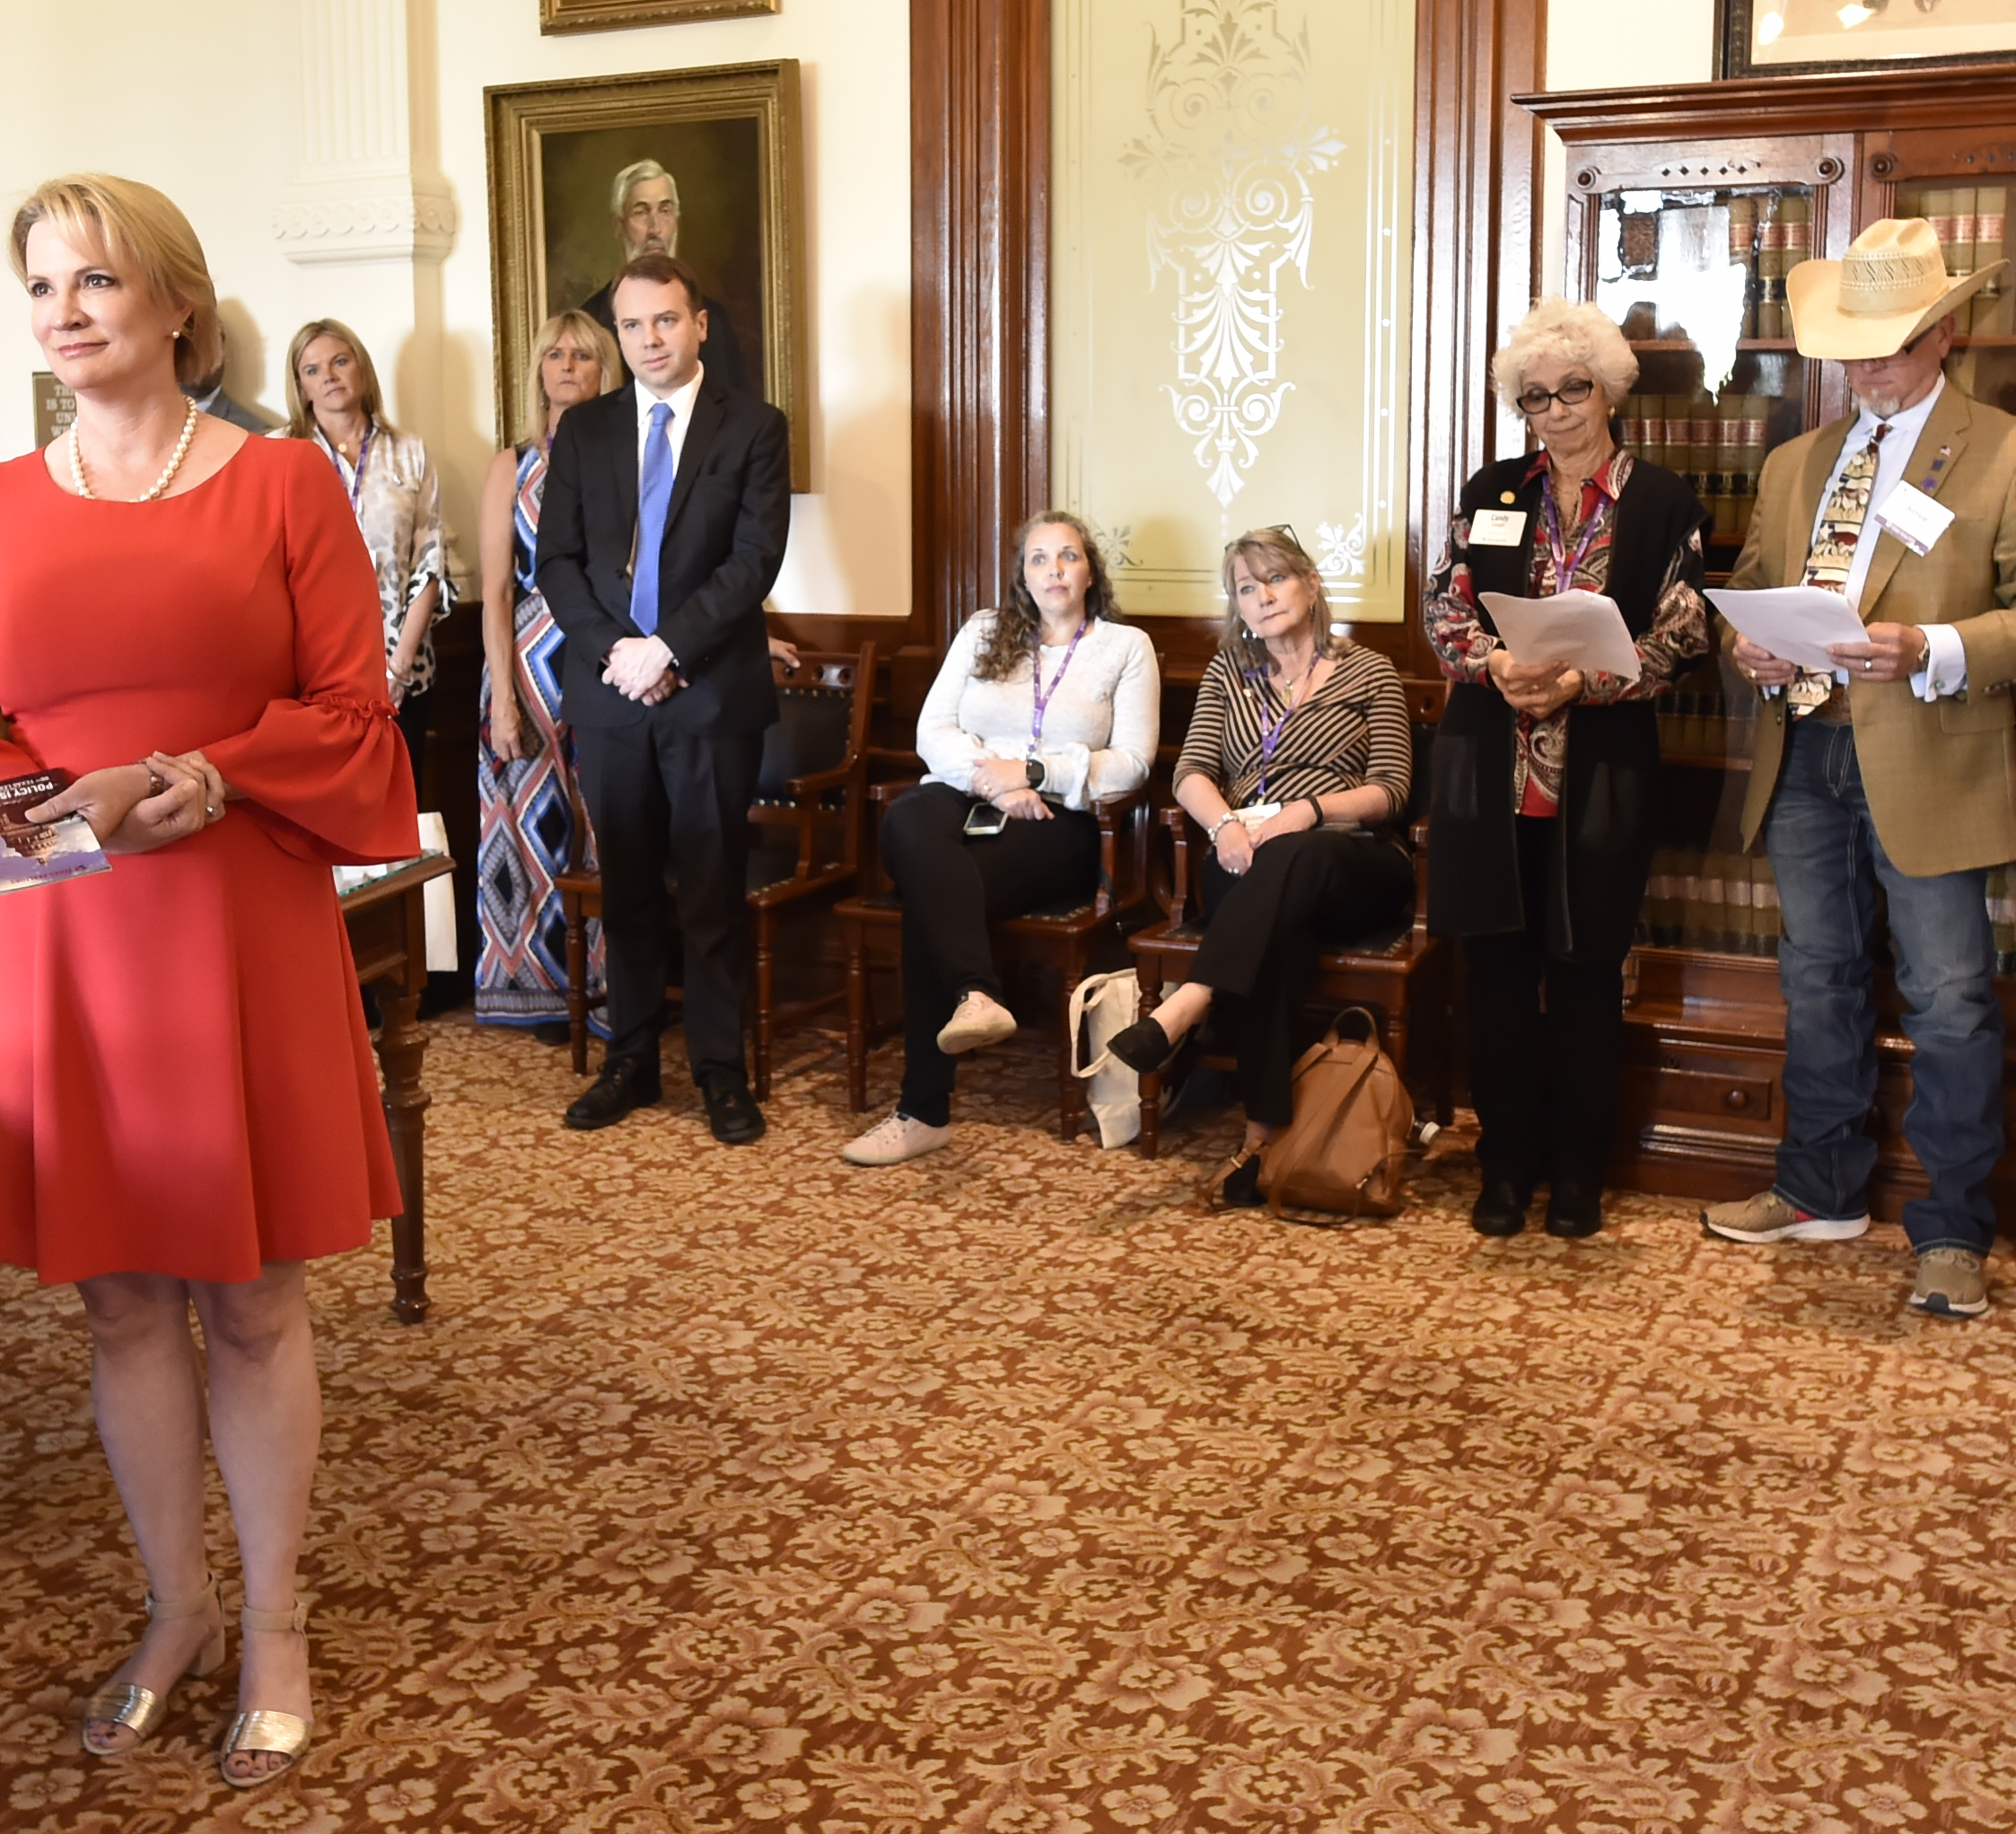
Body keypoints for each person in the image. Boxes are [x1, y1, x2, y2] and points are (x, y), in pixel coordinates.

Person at [0, 173, 422, 1797]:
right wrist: (72, 811)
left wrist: (212, 772)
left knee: (252, 1293)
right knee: (119, 1296)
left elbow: (352, 717)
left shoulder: (278, 491)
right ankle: (174, 1607)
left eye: (96, 278)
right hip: (66, 930)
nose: (62, 308)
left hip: (235, 928)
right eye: (39, 283)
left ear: (175, 302)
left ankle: (274, 1624)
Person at [1702, 216, 2016, 1321]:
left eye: (1890, 344)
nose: (1866, 368)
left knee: (1950, 1000)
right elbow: (1753, 584)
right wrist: (1747, 649)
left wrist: (1934, 647)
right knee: (1816, 978)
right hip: (1802, 751)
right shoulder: (1791, 463)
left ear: (1946, 331)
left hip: (1930, 752)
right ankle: (1818, 1188)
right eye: (1850, 347)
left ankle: (1954, 1230)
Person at [1422, 303, 1709, 1239]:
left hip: (1601, 772)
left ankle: (1578, 1172)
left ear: (1608, 389)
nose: (1553, 411)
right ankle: (1503, 1165)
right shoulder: (1495, 490)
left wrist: (1586, 679)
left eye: (1571, 389)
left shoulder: (1664, 502)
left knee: (1586, 973)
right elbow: (1445, 606)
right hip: (1488, 768)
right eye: (1532, 396)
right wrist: (1491, 664)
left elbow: (1685, 632)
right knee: (1495, 974)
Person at [533, 250, 796, 1144]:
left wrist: (669, 648)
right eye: (633, 324)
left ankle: (721, 1072)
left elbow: (752, 560)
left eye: (666, 320)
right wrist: (617, 651)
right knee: (629, 886)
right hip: (610, 693)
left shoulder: (753, 426)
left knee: (711, 889)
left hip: (707, 693)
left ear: (699, 326)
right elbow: (556, 563)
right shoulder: (586, 430)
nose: (649, 338)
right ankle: (631, 1061)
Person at [1105, 528, 1418, 1207]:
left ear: (1309, 584)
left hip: (1353, 858)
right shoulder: (1228, 673)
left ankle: (1192, 999)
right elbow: (1191, 773)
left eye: (1275, 579)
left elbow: (1390, 790)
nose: (1264, 596)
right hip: (1245, 855)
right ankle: (1259, 1140)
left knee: (1296, 851)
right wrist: (1223, 826)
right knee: (1279, 935)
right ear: (1236, 606)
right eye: (1247, 588)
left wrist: (1307, 810)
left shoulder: (1371, 671)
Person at [839, 510, 1161, 1166]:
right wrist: (995, 783)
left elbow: (1131, 762)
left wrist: (1035, 774)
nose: (1054, 570)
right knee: (906, 818)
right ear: (1021, 574)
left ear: (1090, 568)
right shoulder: (985, 632)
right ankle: (977, 993)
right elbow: (935, 731)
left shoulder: (1126, 647)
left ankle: (923, 1111)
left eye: (1067, 556)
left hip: (1055, 825)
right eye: (1038, 559)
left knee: (931, 891)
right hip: (966, 796)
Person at [472, 306, 621, 1025]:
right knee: (527, 826)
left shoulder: (627, 456)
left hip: (605, 661)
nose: (567, 365)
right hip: (526, 667)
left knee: (604, 826)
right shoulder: (513, 464)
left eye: (583, 355)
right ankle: (530, 988)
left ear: (606, 371)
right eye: (555, 354)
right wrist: (502, 696)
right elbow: (496, 591)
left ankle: (603, 990)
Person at [287, 315, 453, 753]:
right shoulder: (281, 457)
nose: (329, 376)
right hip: (312, 677)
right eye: (313, 369)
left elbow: (429, 563)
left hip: (403, 669)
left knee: (403, 809)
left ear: (361, 367)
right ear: (301, 387)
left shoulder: (408, 452)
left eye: (340, 361)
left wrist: (396, 670)